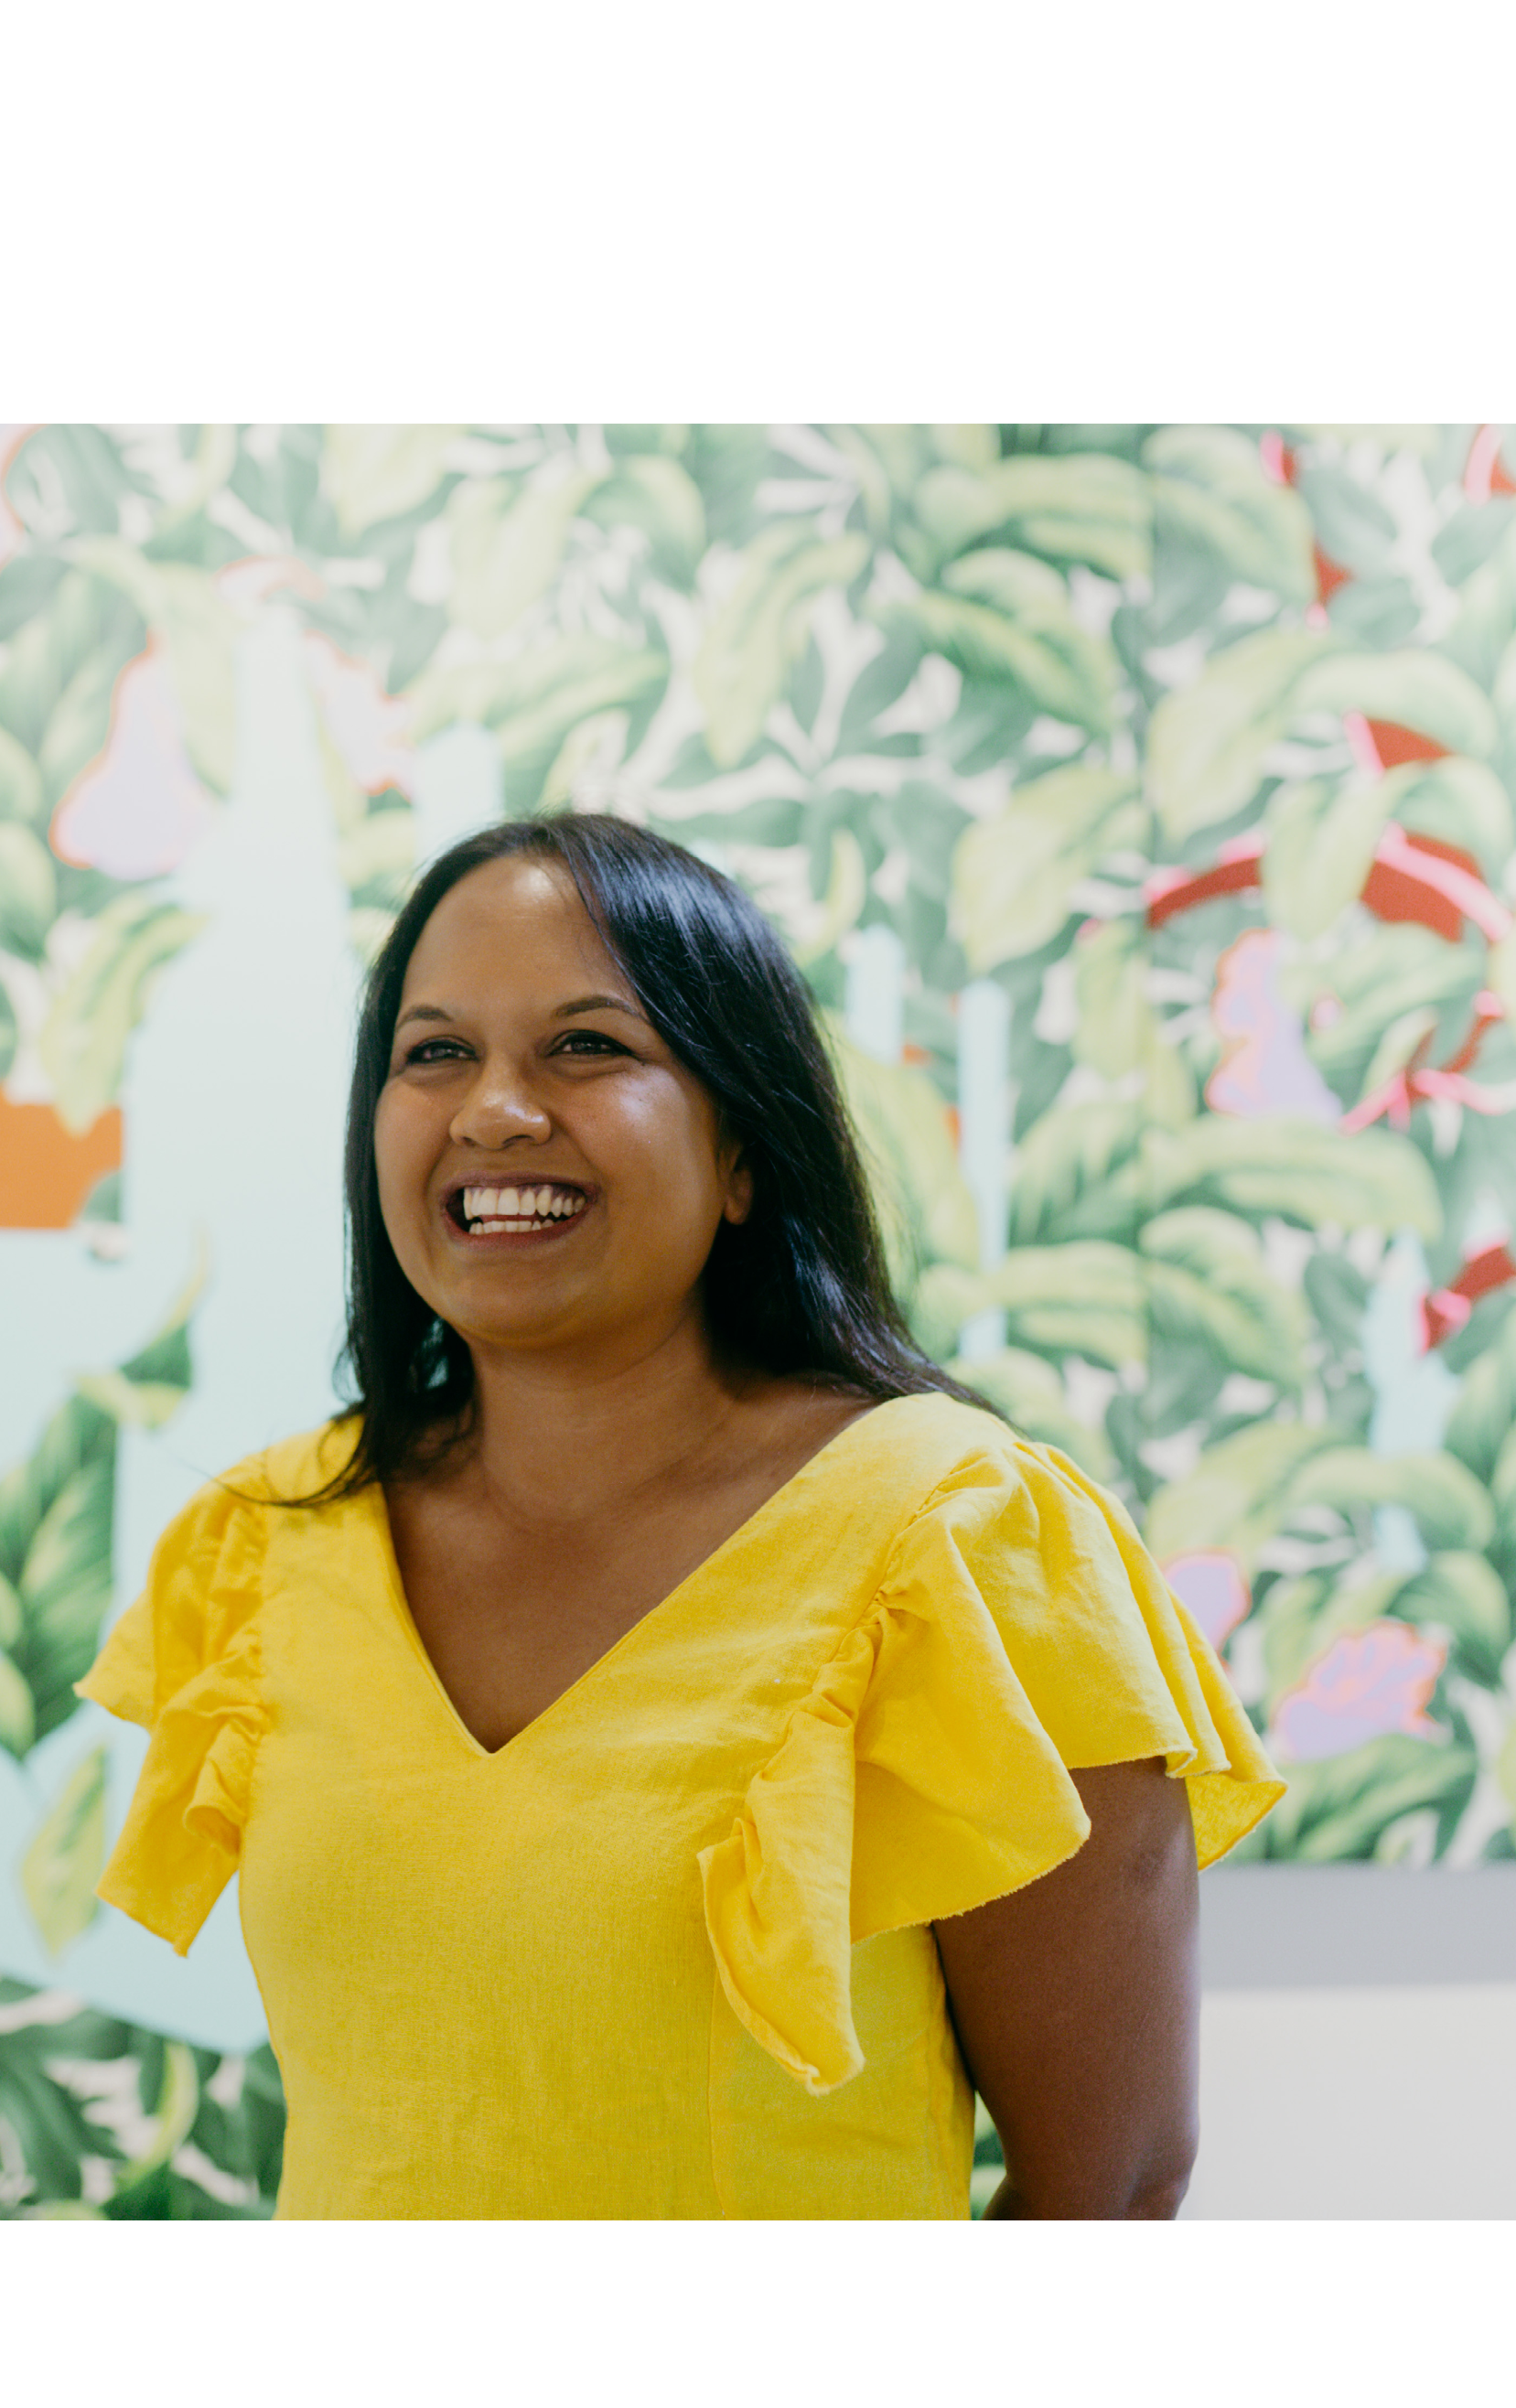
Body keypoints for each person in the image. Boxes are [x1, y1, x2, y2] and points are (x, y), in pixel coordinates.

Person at [81, 814, 1275, 2218]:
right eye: (435, 1052)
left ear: (744, 1155)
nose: (495, 1111)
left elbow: (1111, 2183)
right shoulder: (264, 1539)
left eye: (586, 1046)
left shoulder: (961, 1539)